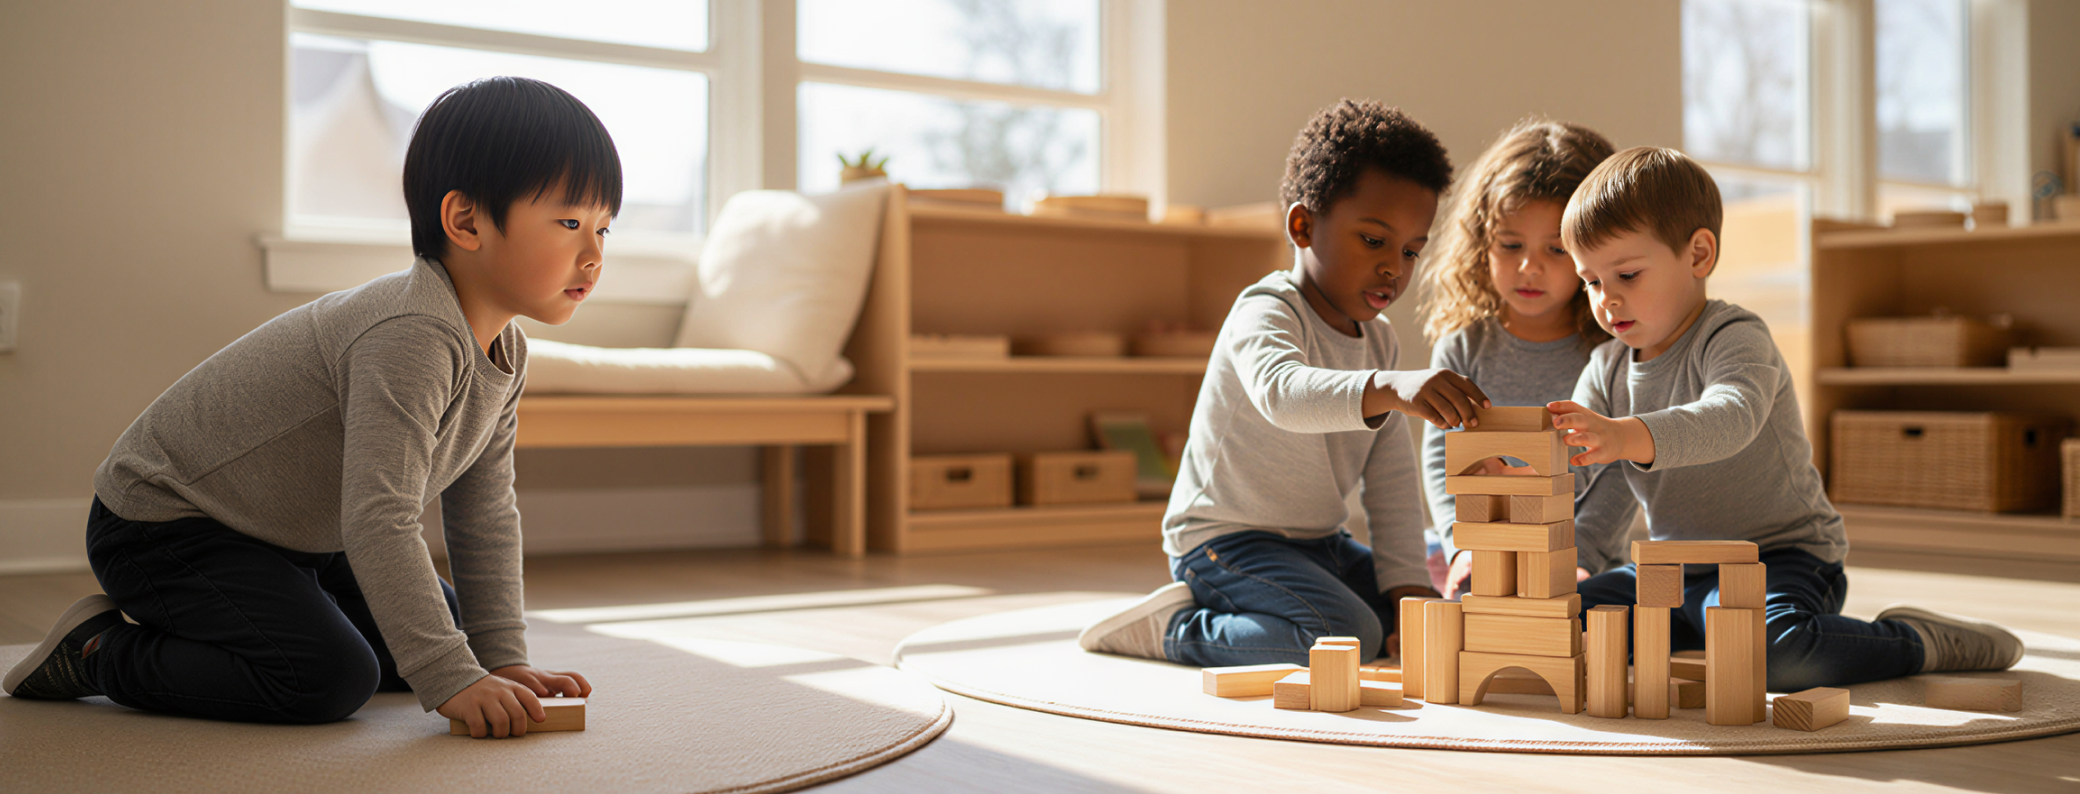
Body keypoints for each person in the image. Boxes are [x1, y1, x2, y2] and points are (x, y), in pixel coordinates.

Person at [3, 76, 613, 737]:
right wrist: (453, 679)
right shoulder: (411, 333)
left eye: (606, 228)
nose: (594, 254)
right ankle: (98, 652)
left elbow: (484, 512)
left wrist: (499, 659)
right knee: (328, 677)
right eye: (570, 223)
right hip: (167, 525)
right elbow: (381, 517)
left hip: (294, 537)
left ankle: (298, 613)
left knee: (448, 637)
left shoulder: (505, 350)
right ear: (466, 221)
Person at [1551, 146, 2022, 689]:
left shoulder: (1733, 336)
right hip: (1673, 571)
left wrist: (1625, 436)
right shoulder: (1605, 367)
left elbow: (1731, 416)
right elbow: (1576, 457)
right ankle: (1704, 630)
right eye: (1591, 282)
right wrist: (1534, 477)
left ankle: (1916, 641)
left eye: (1627, 275)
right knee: (1559, 619)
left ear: (1699, 255)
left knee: (1780, 656)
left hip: (1778, 559)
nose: (1606, 301)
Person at [1079, 99, 1487, 666]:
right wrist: (1390, 388)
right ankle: (1173, 629)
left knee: (1425, 610)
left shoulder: (1380, 341)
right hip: (1224, 542)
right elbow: (1284, 393)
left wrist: (1407, 591)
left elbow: (1390, 479)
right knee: (1346, 635)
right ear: (1302, 226)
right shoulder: (1266, 311)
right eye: (1374, 241)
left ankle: (1360, 604)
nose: (1395, 267)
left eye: (1411, 251)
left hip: (1319, 544)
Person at [1413, 118, 1630, 598]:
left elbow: (1622, 476)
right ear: (1482, 241)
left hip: (1583, 561)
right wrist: (1460, 545)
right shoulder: (1463, 348)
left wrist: (1581, 555)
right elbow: (1441, 459)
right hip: (1481, 550)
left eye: (1556, 249)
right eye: (1511, 245)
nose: (1529, 267)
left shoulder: (1613, 354)